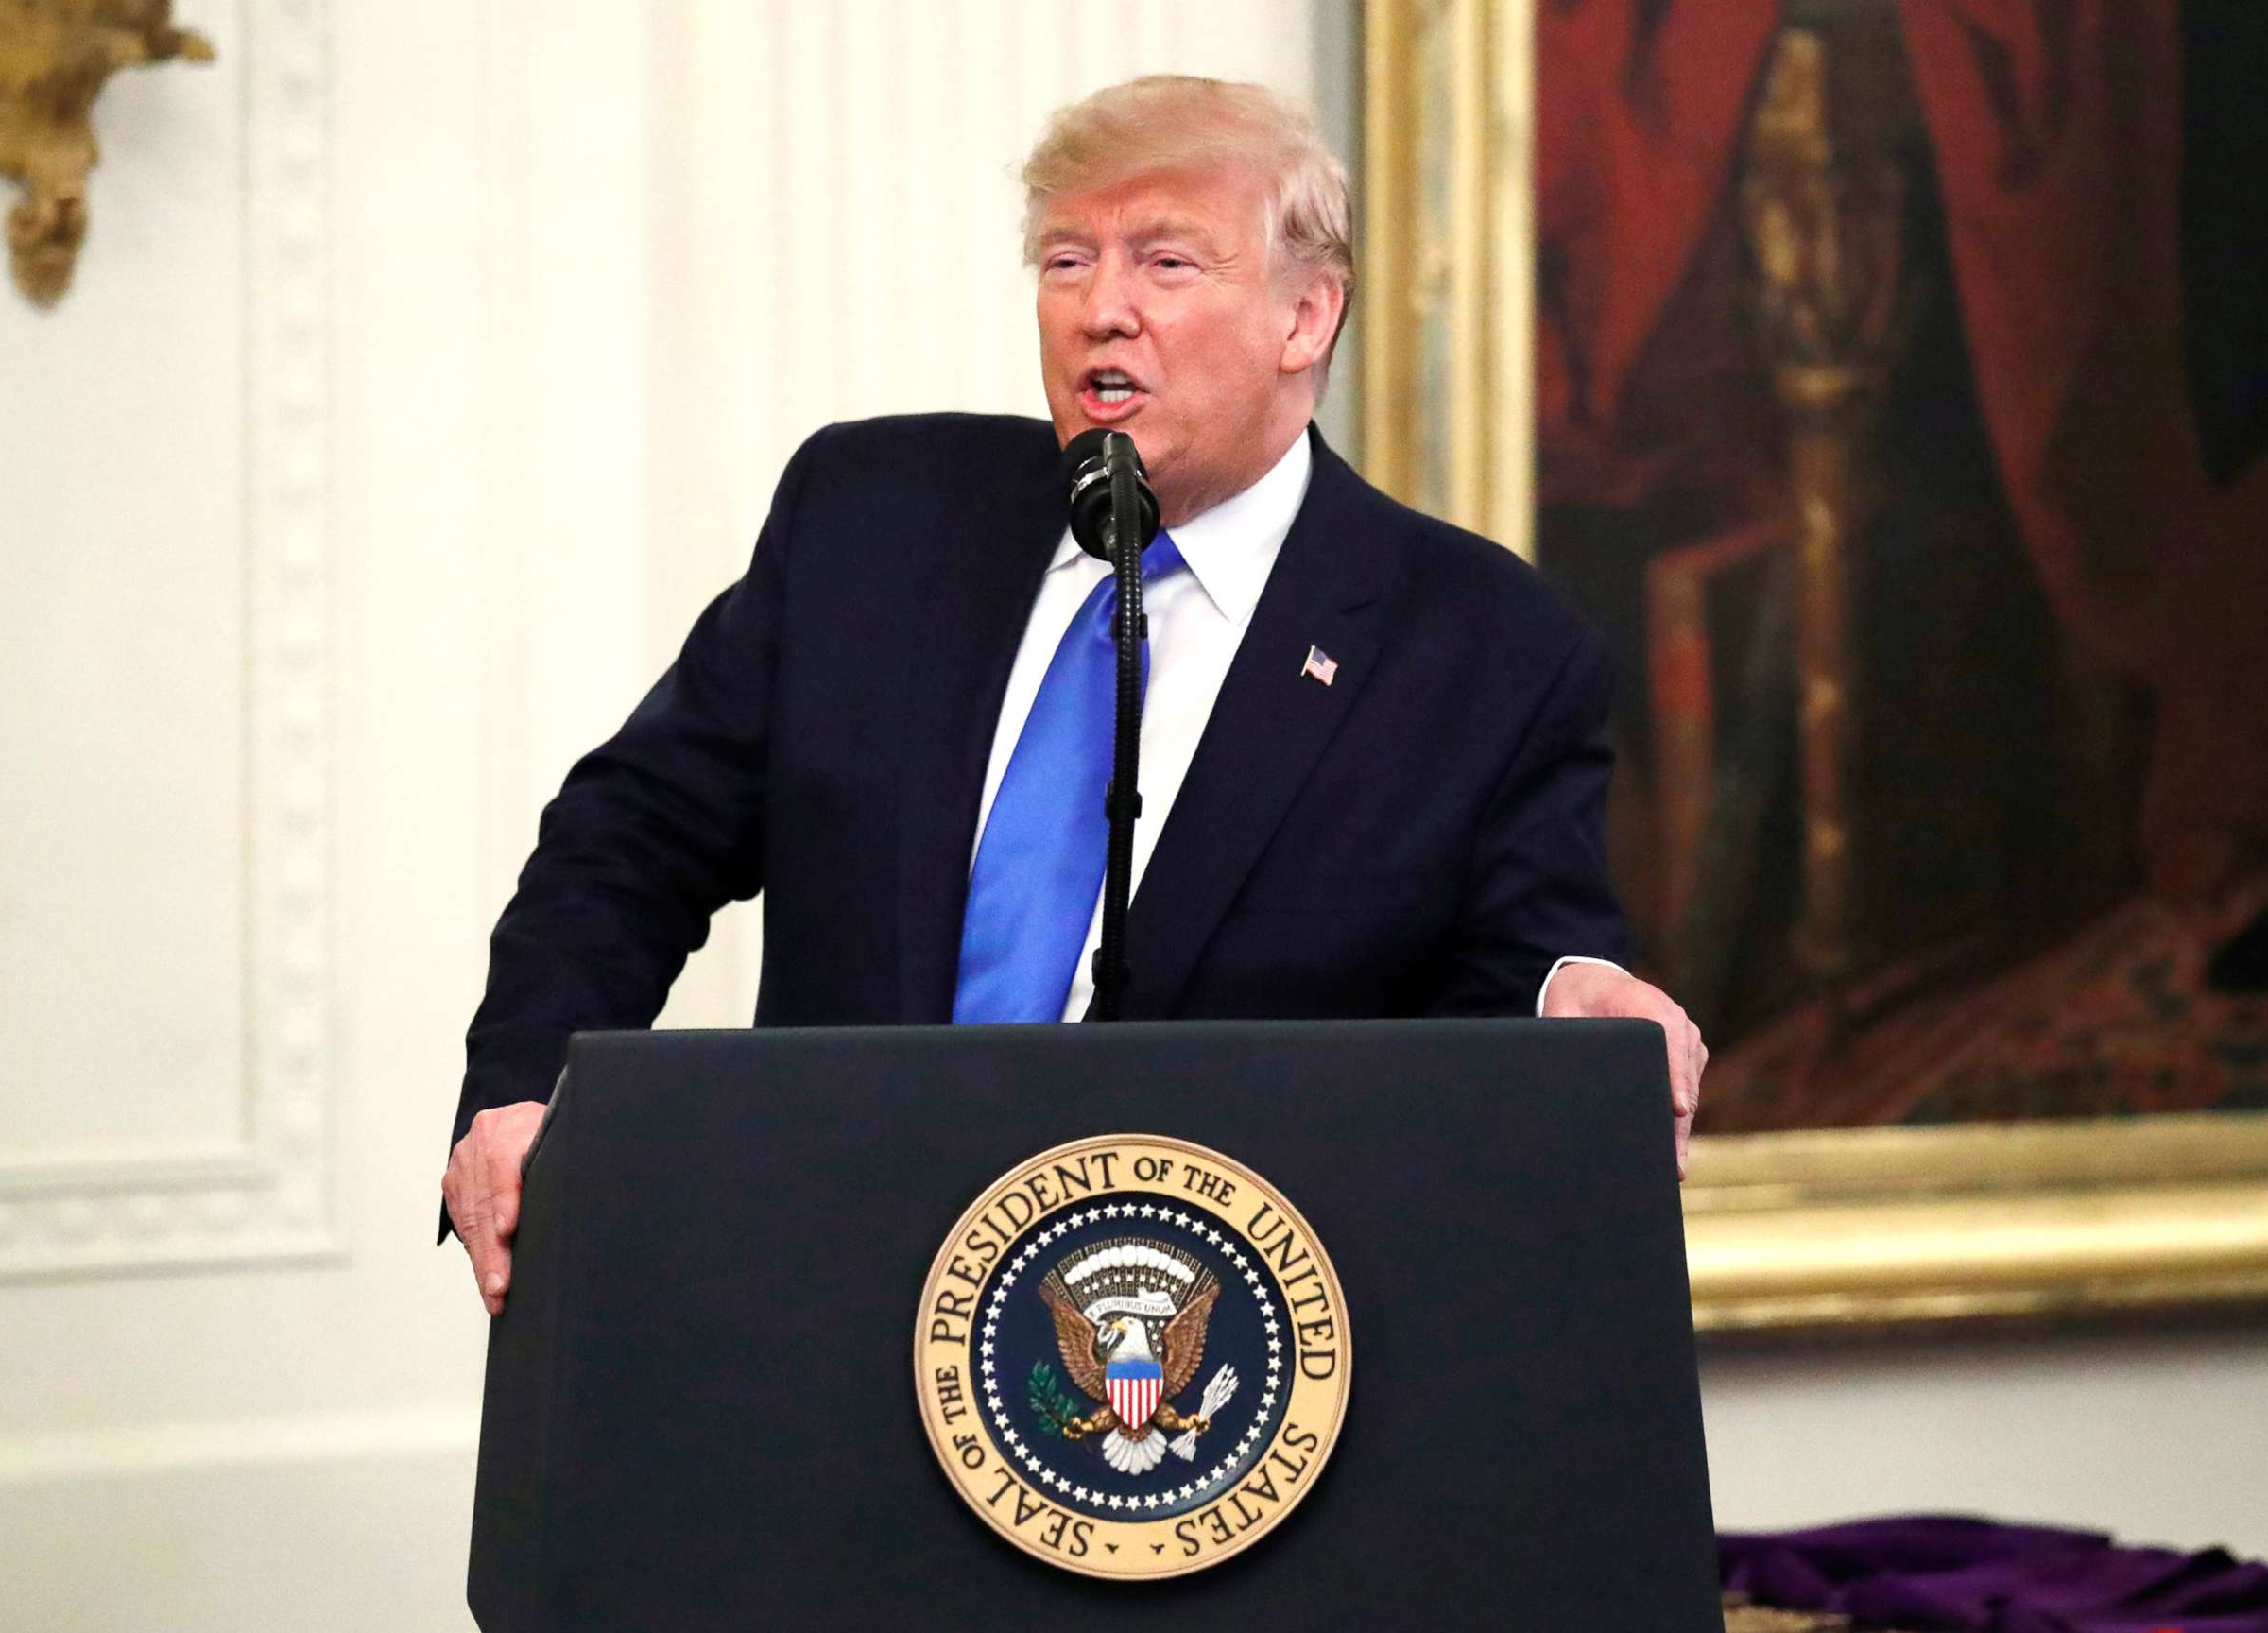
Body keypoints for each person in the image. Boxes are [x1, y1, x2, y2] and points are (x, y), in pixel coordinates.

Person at [442, 76, 1706, 1315]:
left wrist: (1571, 1002)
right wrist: (524, 1083)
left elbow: (1522, 974)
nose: (1103, 311)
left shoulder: (1484, 647)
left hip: (1206, 1367)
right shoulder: (871, 522)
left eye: (1166, 265)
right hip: (828, 1296)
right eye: (1066, 262)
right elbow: (634, 833)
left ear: (1306, 316)